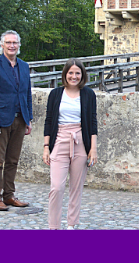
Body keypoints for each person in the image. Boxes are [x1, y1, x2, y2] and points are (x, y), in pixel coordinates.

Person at [41, 59, 98, 229]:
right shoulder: (56, 94)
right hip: (59, 139)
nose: (74, 76)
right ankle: (54, 227)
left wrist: (93, 148)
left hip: (80, 140)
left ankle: (72, 224)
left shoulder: (88, 94)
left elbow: (93, 122)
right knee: (57, 187)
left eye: (77, 73)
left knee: (76, 187)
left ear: (82, 75)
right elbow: (49, 120)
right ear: (65, 74)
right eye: (71, 73)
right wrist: (46, 147)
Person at [0, 30, 33, 211]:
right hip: (0, 120)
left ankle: (9, 195)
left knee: (13, 160)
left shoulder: (24, 66)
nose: (12, 46)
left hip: (20, 120)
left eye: (15, 43)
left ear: (19, 45)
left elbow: (27, 94)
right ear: (2, 45)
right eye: (8, 42)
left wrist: (29, 119)